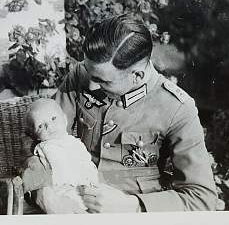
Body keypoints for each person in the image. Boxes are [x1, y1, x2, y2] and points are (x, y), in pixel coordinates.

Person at [53, 14, 217, 213]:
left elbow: (201, 198)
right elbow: (40, 139)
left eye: (103, 81)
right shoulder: (83, 75)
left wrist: (134, 206)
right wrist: (44, 193)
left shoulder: (178, 108)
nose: (90, 84)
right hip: (70, 204)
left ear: (137, 75)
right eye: (90, 73)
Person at [23, 98, 99, 214]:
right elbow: (34, 170)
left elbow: (87, 162)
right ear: (35, 135)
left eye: (53, 118)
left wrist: (93, 180)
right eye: (40, 126)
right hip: (62, 194)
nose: (49, 126)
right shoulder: (43, 148)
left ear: (64, 119)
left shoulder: (76, 142)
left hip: (87, 190)